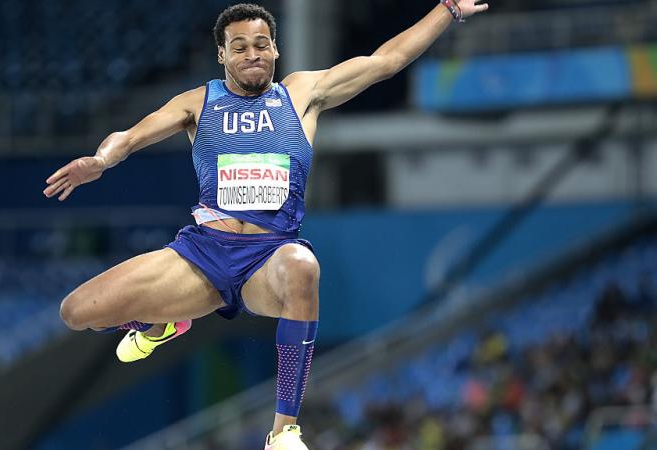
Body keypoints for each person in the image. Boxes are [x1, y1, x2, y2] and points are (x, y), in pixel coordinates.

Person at [43, 2, 489, 448]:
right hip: (202, 254)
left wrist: (447, 8)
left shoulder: (302, 94)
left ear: (275, 48)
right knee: (77, 312)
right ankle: (160, 322)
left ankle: (284, 430)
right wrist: (102, 159)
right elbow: (132, 135)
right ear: (222, 55)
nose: (251, 54)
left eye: (261, 44)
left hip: (267, 258)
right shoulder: (199, 102)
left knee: (303, 265)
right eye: (239, 47)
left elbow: (386, 61)